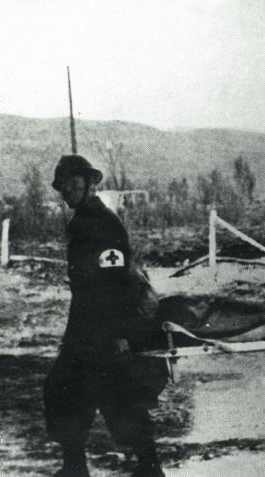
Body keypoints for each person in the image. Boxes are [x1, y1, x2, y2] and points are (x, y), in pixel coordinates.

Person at [44, 154, 167, 477]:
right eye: (63, 185)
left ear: (89, 184)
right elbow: (85, 288)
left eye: (74, 182)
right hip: (85, 328)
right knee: (66, 391)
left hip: (106, 330)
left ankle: (148, 467)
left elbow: (117, 283)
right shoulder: (81, 222)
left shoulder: (103, 224)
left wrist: (120, 333)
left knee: (116, 397)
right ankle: (76, 467)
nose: (68, 190)